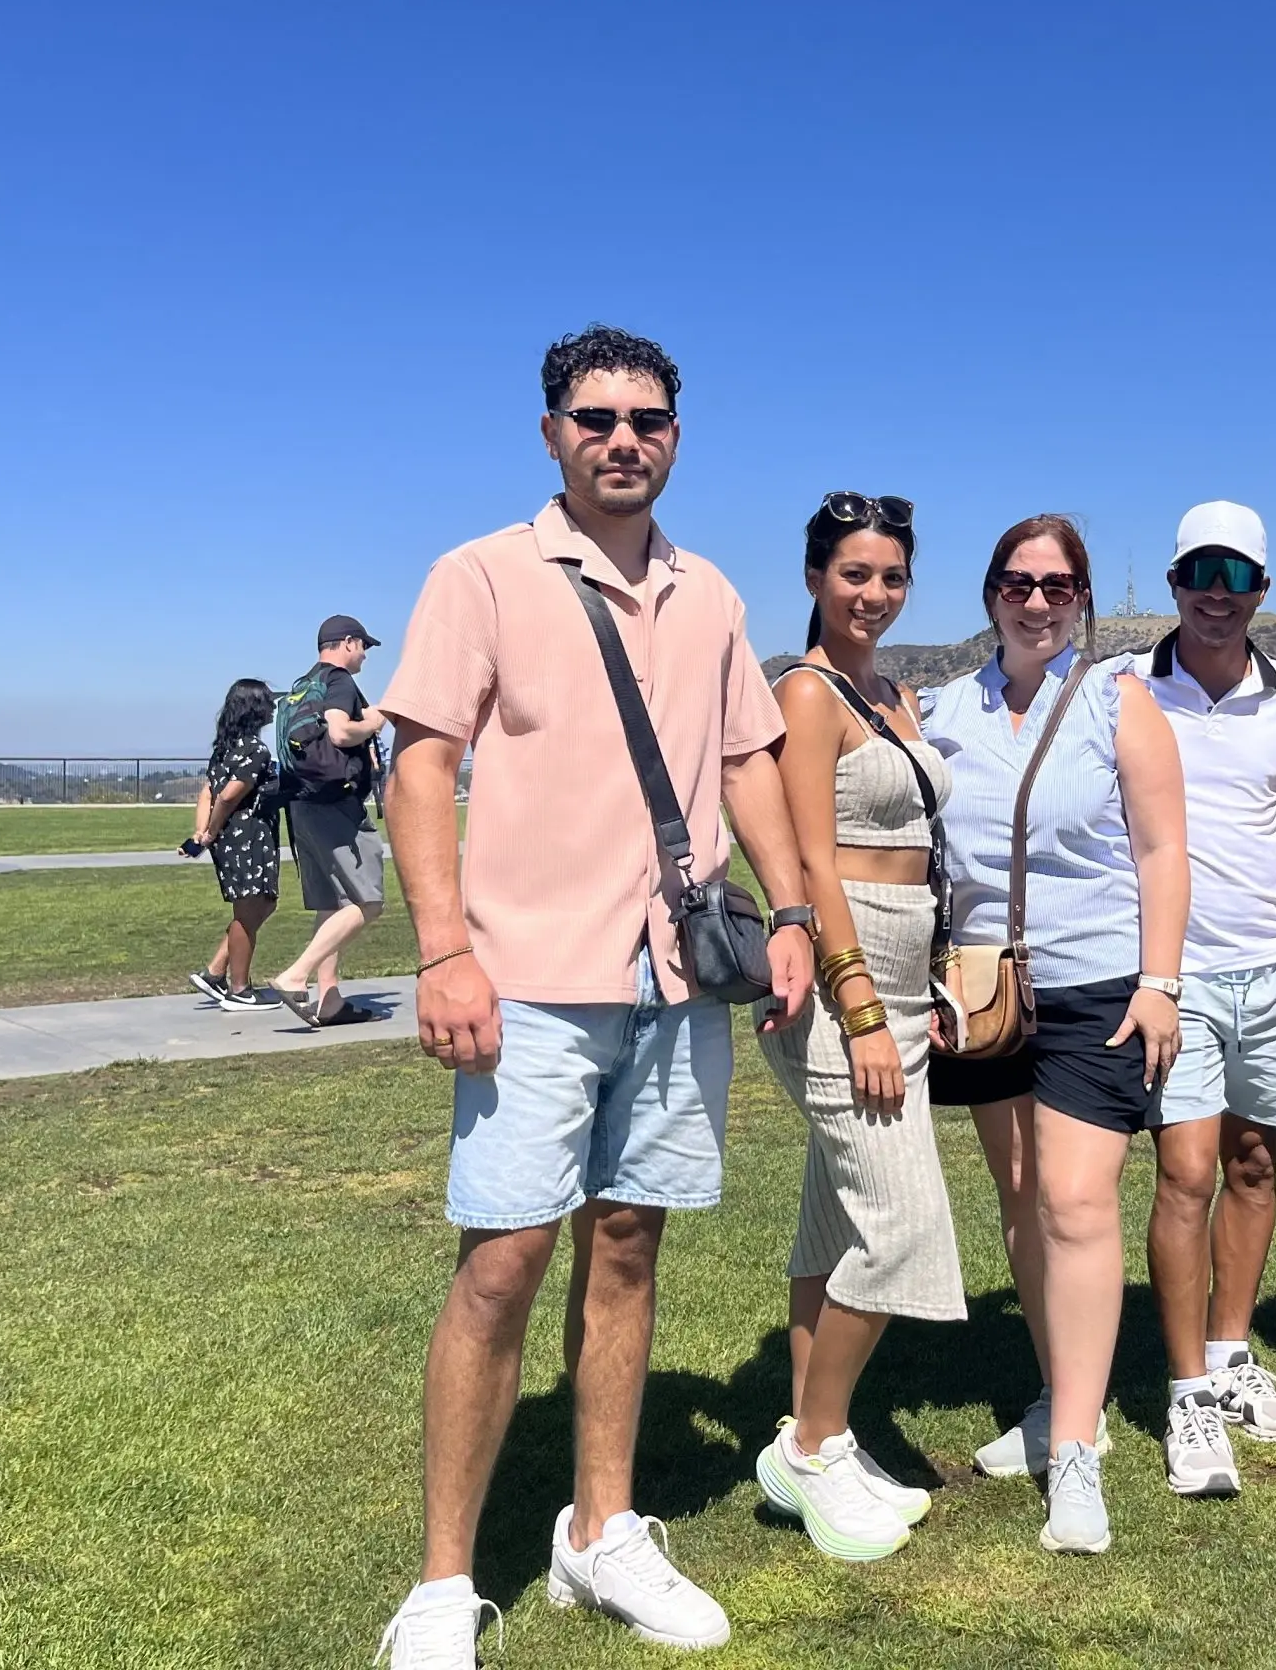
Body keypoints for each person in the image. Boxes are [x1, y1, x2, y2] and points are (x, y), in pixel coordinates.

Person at [372, 324, 816, 1666]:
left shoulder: (709, 593)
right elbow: (420, 764)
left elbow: (745, 762)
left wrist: (794, 913)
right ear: (553, 434)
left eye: (647, 421)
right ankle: (443, 1583)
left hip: (675, 976)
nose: (623, 440)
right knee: (502, 1261)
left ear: (676, 437)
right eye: (597, 418)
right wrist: (443, 951)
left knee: (628, 1245)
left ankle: (601, 1530)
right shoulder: (482, 576)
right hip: (529, 972)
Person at [920, 514, 1189, 1555]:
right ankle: (1055, 1394)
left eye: (1057, 586)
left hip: (1097, 986)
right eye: (1018, 583)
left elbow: (1162, 851)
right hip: (985, 989)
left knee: (1076, 1202)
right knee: (1023, 1199)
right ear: (991, 593)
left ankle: (1077, 1450)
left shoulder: (1119, 700)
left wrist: (1160, 982)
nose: (1037, 603)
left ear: (1082, 599)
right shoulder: (945, 709)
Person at [754, 492, 966, 1562]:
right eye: (853, 575)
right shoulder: (806, 691)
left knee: (836, 1220)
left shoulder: (894, 693)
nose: (873, 594)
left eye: (890, 577)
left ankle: (825, 1443)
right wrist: (862, 1007)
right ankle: (809, 1444)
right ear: (813, 580)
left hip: (905, 968)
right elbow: (808, 860)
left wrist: (927, 974)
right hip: (850, 983)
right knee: (902, 1224)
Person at [1126, 502, 1276, 1498]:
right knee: (1186, 1173)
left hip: (1273, 968)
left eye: (1236, 574)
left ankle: (1232, 1354)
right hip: (1178, 975)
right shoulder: (1126, 690)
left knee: (1254, 1164)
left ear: (1262, 591)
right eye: (1200, 572)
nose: (1217, 591)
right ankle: (1188, 1393)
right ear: (1174, 582)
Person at [271, 613, 390, 1028]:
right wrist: (374, 722)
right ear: (349, 642)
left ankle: (330, 1000)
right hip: (336, 807)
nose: (365, 655)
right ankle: (295, 975)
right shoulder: (339, 681)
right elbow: (340, 733)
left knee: (332, 903)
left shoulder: (304, 685)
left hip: (301, 804)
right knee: (368, 902)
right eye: (364, 646)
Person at [186, 677, 283, 1012]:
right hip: (248, 837)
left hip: (232, 838)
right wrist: (210, 831)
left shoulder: (224, 750)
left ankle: (215, 972)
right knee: (248, 911)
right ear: (255, 709)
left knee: (263, 904)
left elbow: (207, 793)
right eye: (268, 701)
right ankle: (239, 989)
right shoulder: (256, 751)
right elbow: (227, 797)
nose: (273, 707)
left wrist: (201, 833)